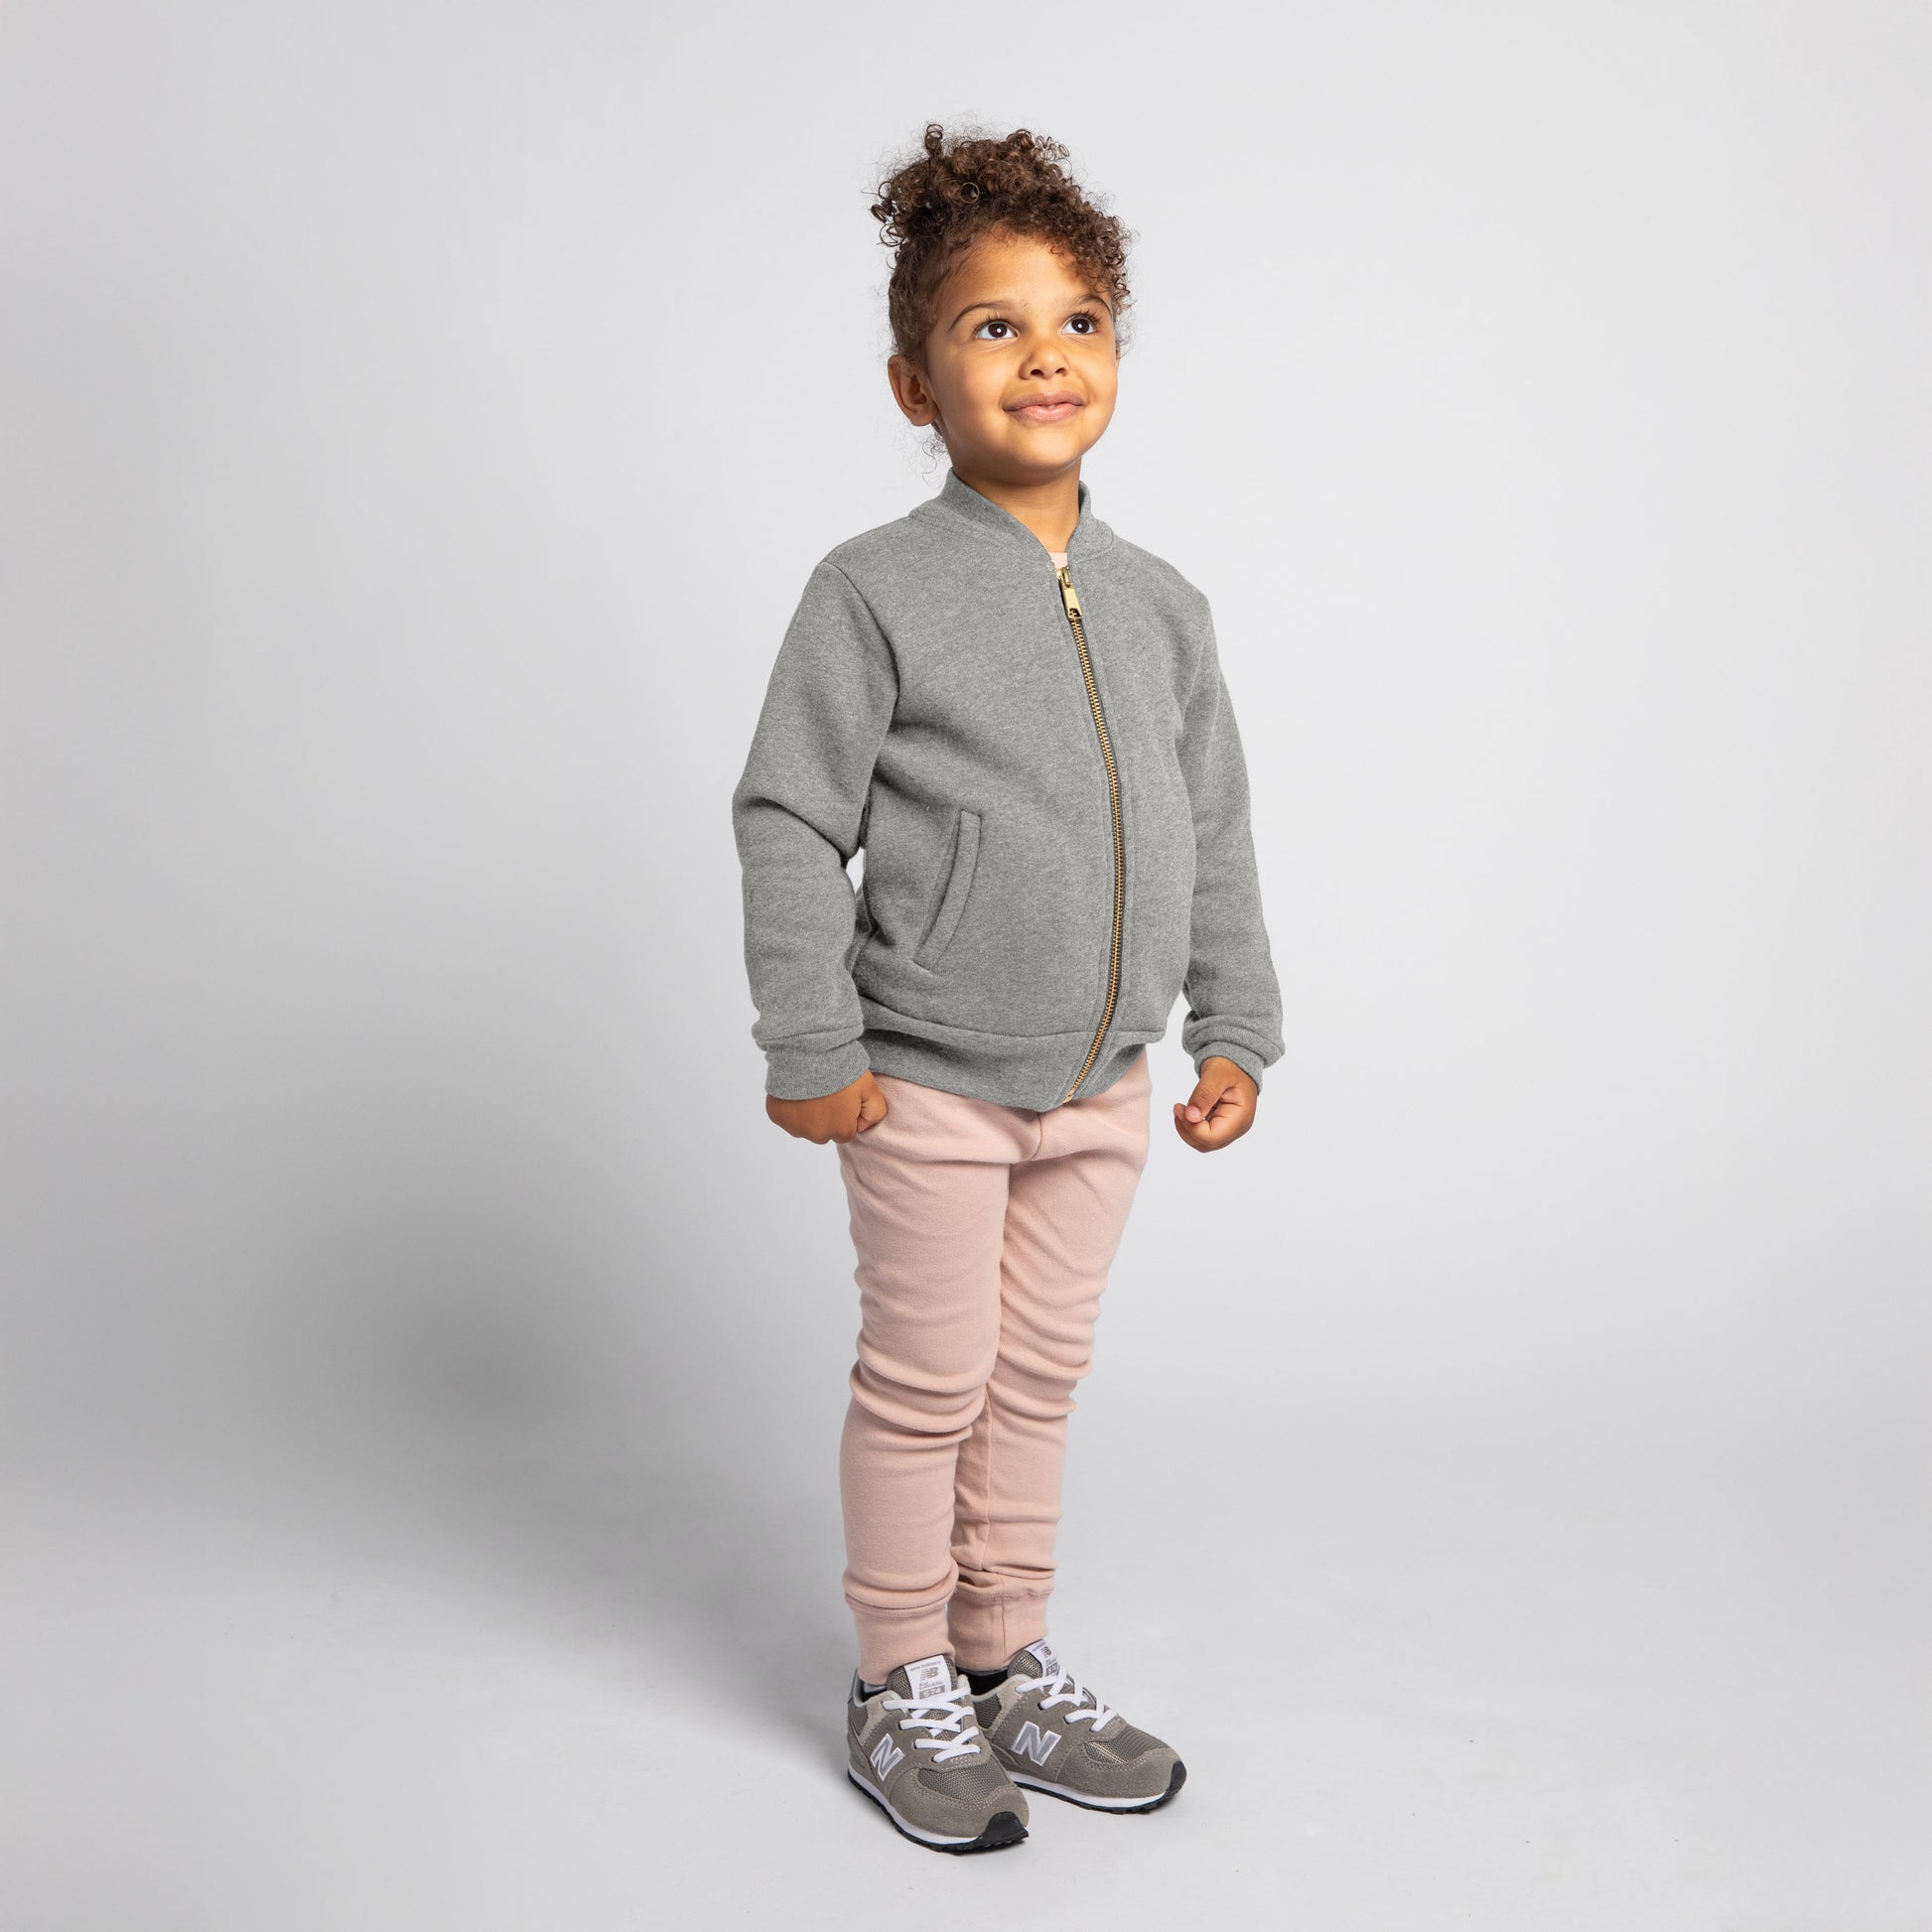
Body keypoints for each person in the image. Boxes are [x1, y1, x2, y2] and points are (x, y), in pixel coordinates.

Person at [730, 123, 1284, 1854]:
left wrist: (1236, 1022)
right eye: (993, 326)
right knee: (927, 1379)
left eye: (1077, 321)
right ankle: (897, 1677)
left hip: (1103, 1081)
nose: (1045, 356)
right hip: (924, 1075)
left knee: (1036, 1379)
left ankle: (1000, 1659)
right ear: (916, 379)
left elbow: (1210, 823)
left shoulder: (1162, 604)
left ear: (1114, 353)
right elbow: (786, 814)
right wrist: (810, 1038)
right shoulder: (871, 590)